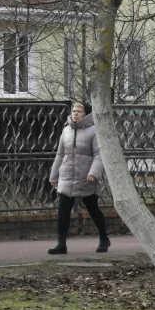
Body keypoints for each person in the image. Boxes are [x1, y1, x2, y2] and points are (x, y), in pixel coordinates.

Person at [48, 102, 109, 254]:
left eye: (79, 111)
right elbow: (60, 154)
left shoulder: (94, 131)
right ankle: (61, 244)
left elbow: (99, 154)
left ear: (86, 114)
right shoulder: (66, 130)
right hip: (67, 176)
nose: (75, 113)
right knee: (63, 210)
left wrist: (94, 173)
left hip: (86, 177)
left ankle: (103, 238)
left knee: (92, 208)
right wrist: (54, 175)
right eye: (74, 111)